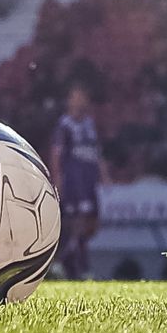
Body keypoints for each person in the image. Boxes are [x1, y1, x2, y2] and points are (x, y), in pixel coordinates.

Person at [54, 85, 108, 279]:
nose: (79, 101)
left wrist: (104, 174)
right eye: (75, 97)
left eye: (82, 97)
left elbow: (96, 151)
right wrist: (58, 178)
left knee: (90, 224)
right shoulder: (65, 125)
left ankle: (69, 261)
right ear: (69, 101)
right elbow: (57, 153)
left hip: (89, 180)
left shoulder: (90, 124)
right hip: (74, 180)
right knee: (75, 221)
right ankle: (71, 263)